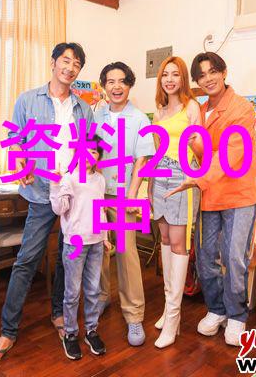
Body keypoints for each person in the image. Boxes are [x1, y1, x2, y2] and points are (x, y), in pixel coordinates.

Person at [0, 42, 94, 369]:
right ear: (53, 62)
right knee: (27, 260)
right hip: (41, 195)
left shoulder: (84, 109)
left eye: (76, 64)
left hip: (74, 196)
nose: (70, 68)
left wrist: (91, 160)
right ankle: (7, 332)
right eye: (66, 61)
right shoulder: (28, 100)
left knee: (66, 259)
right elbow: (15, 142)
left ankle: (58, 314)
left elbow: (90, 148)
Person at [166, 52, 256, 346]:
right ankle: (217, 309)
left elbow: (231, 153)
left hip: (239, 195)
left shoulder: (242, 108)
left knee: (234, 257)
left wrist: (197, 178)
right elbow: (202, 153)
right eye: (201, 75)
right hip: (209, 195)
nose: (208, 79)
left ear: (224, 72)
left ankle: (237, 315)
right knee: (206, 257)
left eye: (213, 72)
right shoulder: (201, 110)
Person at [94, 61, 156, 346]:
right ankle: (102, 297)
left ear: (129, 85)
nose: (116, 86)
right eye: (110, 81)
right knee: (98, 250)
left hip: (123, 196)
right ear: (104, 86)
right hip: (97, 193)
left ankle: (134, 314)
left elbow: (142, 161)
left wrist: (132, 196)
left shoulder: (139, 119)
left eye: (122, 81)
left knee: (125, 251)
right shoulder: (97, 115)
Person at [148, 56, 201, 348]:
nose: (169, 79)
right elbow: (158, 151)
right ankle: (169, 308)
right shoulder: (159, 110)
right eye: (165, 75)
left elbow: (201, 148)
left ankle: (173, 318)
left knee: (179, 245)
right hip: (161, 176)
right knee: (165, 240)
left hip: (183, 176)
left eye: (175, 74)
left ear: (183, 79)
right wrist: (150, 184)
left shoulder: (191, 107)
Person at [50, 136, 111, 360]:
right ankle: (70, 333)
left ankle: (91, 330)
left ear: (98, 157)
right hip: (74, 243)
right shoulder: (69, 178)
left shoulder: (100, 180)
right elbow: (59, 209)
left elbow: (101, 210)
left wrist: (105, 236)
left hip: (96, 242)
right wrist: (55, 185)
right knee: (72, 292)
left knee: (93, 290)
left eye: (94, 152)